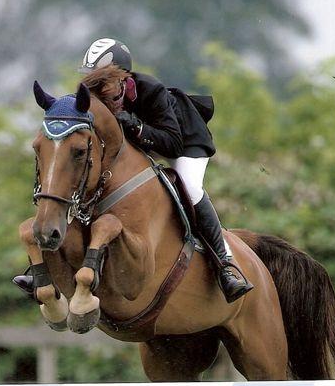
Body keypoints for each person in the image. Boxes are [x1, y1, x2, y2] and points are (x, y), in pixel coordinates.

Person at [16, 38, 253, 303]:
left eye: (102, 81)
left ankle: (224, 264)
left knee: (190, 187)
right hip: (138, 145)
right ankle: (44, 263)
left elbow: (171, 144)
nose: (96, 89)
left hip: (183, 143)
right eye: (91, 81)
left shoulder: (151, 90)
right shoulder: (90, 96)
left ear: (123, 78)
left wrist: (135, 125)